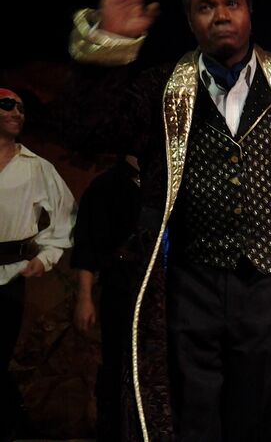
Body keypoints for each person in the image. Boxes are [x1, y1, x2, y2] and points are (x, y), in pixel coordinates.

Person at [59, 0, 271, 442]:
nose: (220, 13)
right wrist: (111, 43)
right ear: (190, 20)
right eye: (205, 6)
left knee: (263, 414)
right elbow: (87, 130)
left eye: (231, 2)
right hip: (190, 284)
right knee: (194, 415)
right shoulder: (163, 86)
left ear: (250, 11)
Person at [0, 88, 75, 442]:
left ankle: (16, 426)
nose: (17, 112)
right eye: (7, 105)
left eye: (21, 108)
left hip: (10, 274)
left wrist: (45, 257)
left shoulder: (36, 167)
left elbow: (65, 217)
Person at [72, 154, 142, 441]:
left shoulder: (166, 179)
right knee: (116, 361)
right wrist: (85, 297)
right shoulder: (106, 185)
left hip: (165, 288)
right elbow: (87, 246)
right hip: (121, 285)